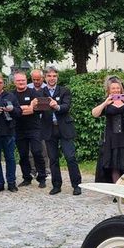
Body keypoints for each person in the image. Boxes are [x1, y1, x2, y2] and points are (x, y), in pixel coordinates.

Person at [35, 66, 82, 195]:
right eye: (49, 76)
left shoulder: (64, 90)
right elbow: (38, 109)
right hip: (49, 129)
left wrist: (57, 106)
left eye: (54, 76)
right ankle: (56, 185)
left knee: (70, 157)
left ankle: (77, 185)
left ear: (57, 77)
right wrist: (34, 106)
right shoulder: (40, 92)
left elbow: (66, 106)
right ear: (45, 78)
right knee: (53, 158)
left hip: (64, 128)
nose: (52, 78)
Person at [12, 72, 47, 188]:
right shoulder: (11, 95)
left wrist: (25, 109)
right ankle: (26, 177)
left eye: (23, 80)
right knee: (23, 155)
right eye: (18, 81)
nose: (21, 82)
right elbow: (13, 112)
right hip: (19, 129)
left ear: (26, 81)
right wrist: (29, 107)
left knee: (37, 152)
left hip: (34, 128)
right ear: (14, 82)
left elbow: (41, 108)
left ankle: (42, 177)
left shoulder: (34, 93)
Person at [27, 69, 49, 178]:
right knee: (32, 148)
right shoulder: (27, 88)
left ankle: (46, 169)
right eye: (34, 79)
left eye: (38, 79)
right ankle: (33, 169)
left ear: (43, 78)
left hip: (44, 121)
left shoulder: (46, 88)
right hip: (31, 121)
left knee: (43, 146)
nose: (36, 81)